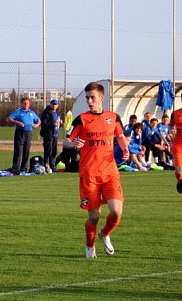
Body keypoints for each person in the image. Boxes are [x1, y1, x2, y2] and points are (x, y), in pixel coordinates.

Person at [68, 82, 129, 259]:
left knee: (116, 212)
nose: (89, 101)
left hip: (110, 172)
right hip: (89, 174)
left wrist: (125, 148)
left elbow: (120, 136)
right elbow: (67, 140)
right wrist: (73, 143)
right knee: (94, 217)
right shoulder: (81, 119)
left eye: (92, 97)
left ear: (102, 97)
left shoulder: (113, 117)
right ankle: (90, 246)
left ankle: (104, 233)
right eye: (87, 98)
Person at [6, 97, 41, 174]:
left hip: (28, 133)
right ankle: (16, 168)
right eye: (24, 103)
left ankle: (24, 168)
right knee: (18, 150)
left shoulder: (32, 112)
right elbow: (8, 119)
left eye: (27, 103)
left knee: (26, 150)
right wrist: (17, 122)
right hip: (20, 133)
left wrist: (37, 125)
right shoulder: (18, 111)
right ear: (21, 104)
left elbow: (38, 120)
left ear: (29, 104)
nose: (26, 105)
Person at [40, 99, 62, 173]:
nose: (54, 105)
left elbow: (57, 123)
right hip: (48, 134)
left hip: (55, 134)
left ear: (57, 105)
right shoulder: (46, 112)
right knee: (48, 151)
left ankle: (52, 166)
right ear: (50, 104)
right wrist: (53, 124)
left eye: (55, 104)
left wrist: (60, 123)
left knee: (54, 151)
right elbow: (44, 123)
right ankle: (46, 166)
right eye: (53, 104)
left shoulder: (57, 113)